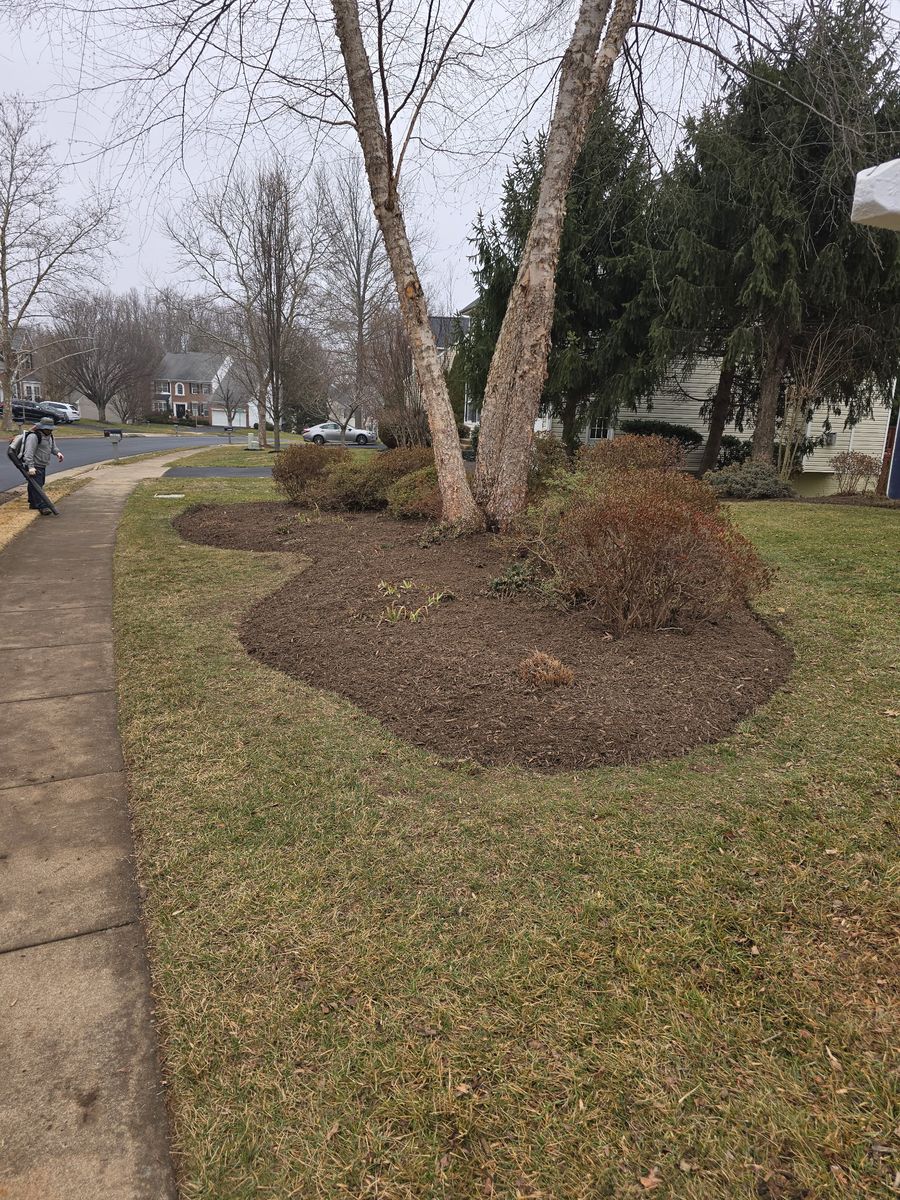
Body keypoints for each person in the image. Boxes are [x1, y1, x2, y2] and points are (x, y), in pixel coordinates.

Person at [20, 418, 64, 514]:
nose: (49, 431)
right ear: (41, 427)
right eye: (47, 429)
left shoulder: (50, 436)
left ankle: (33, 503)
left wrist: (58, 453)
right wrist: (31, 467)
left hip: (42, 465)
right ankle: (42, 507)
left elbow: (53, 447)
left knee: (34, 485)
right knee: (37, 486)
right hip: (34, 465)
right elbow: (28, 453)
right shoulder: (34, 437)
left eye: (51, 429)